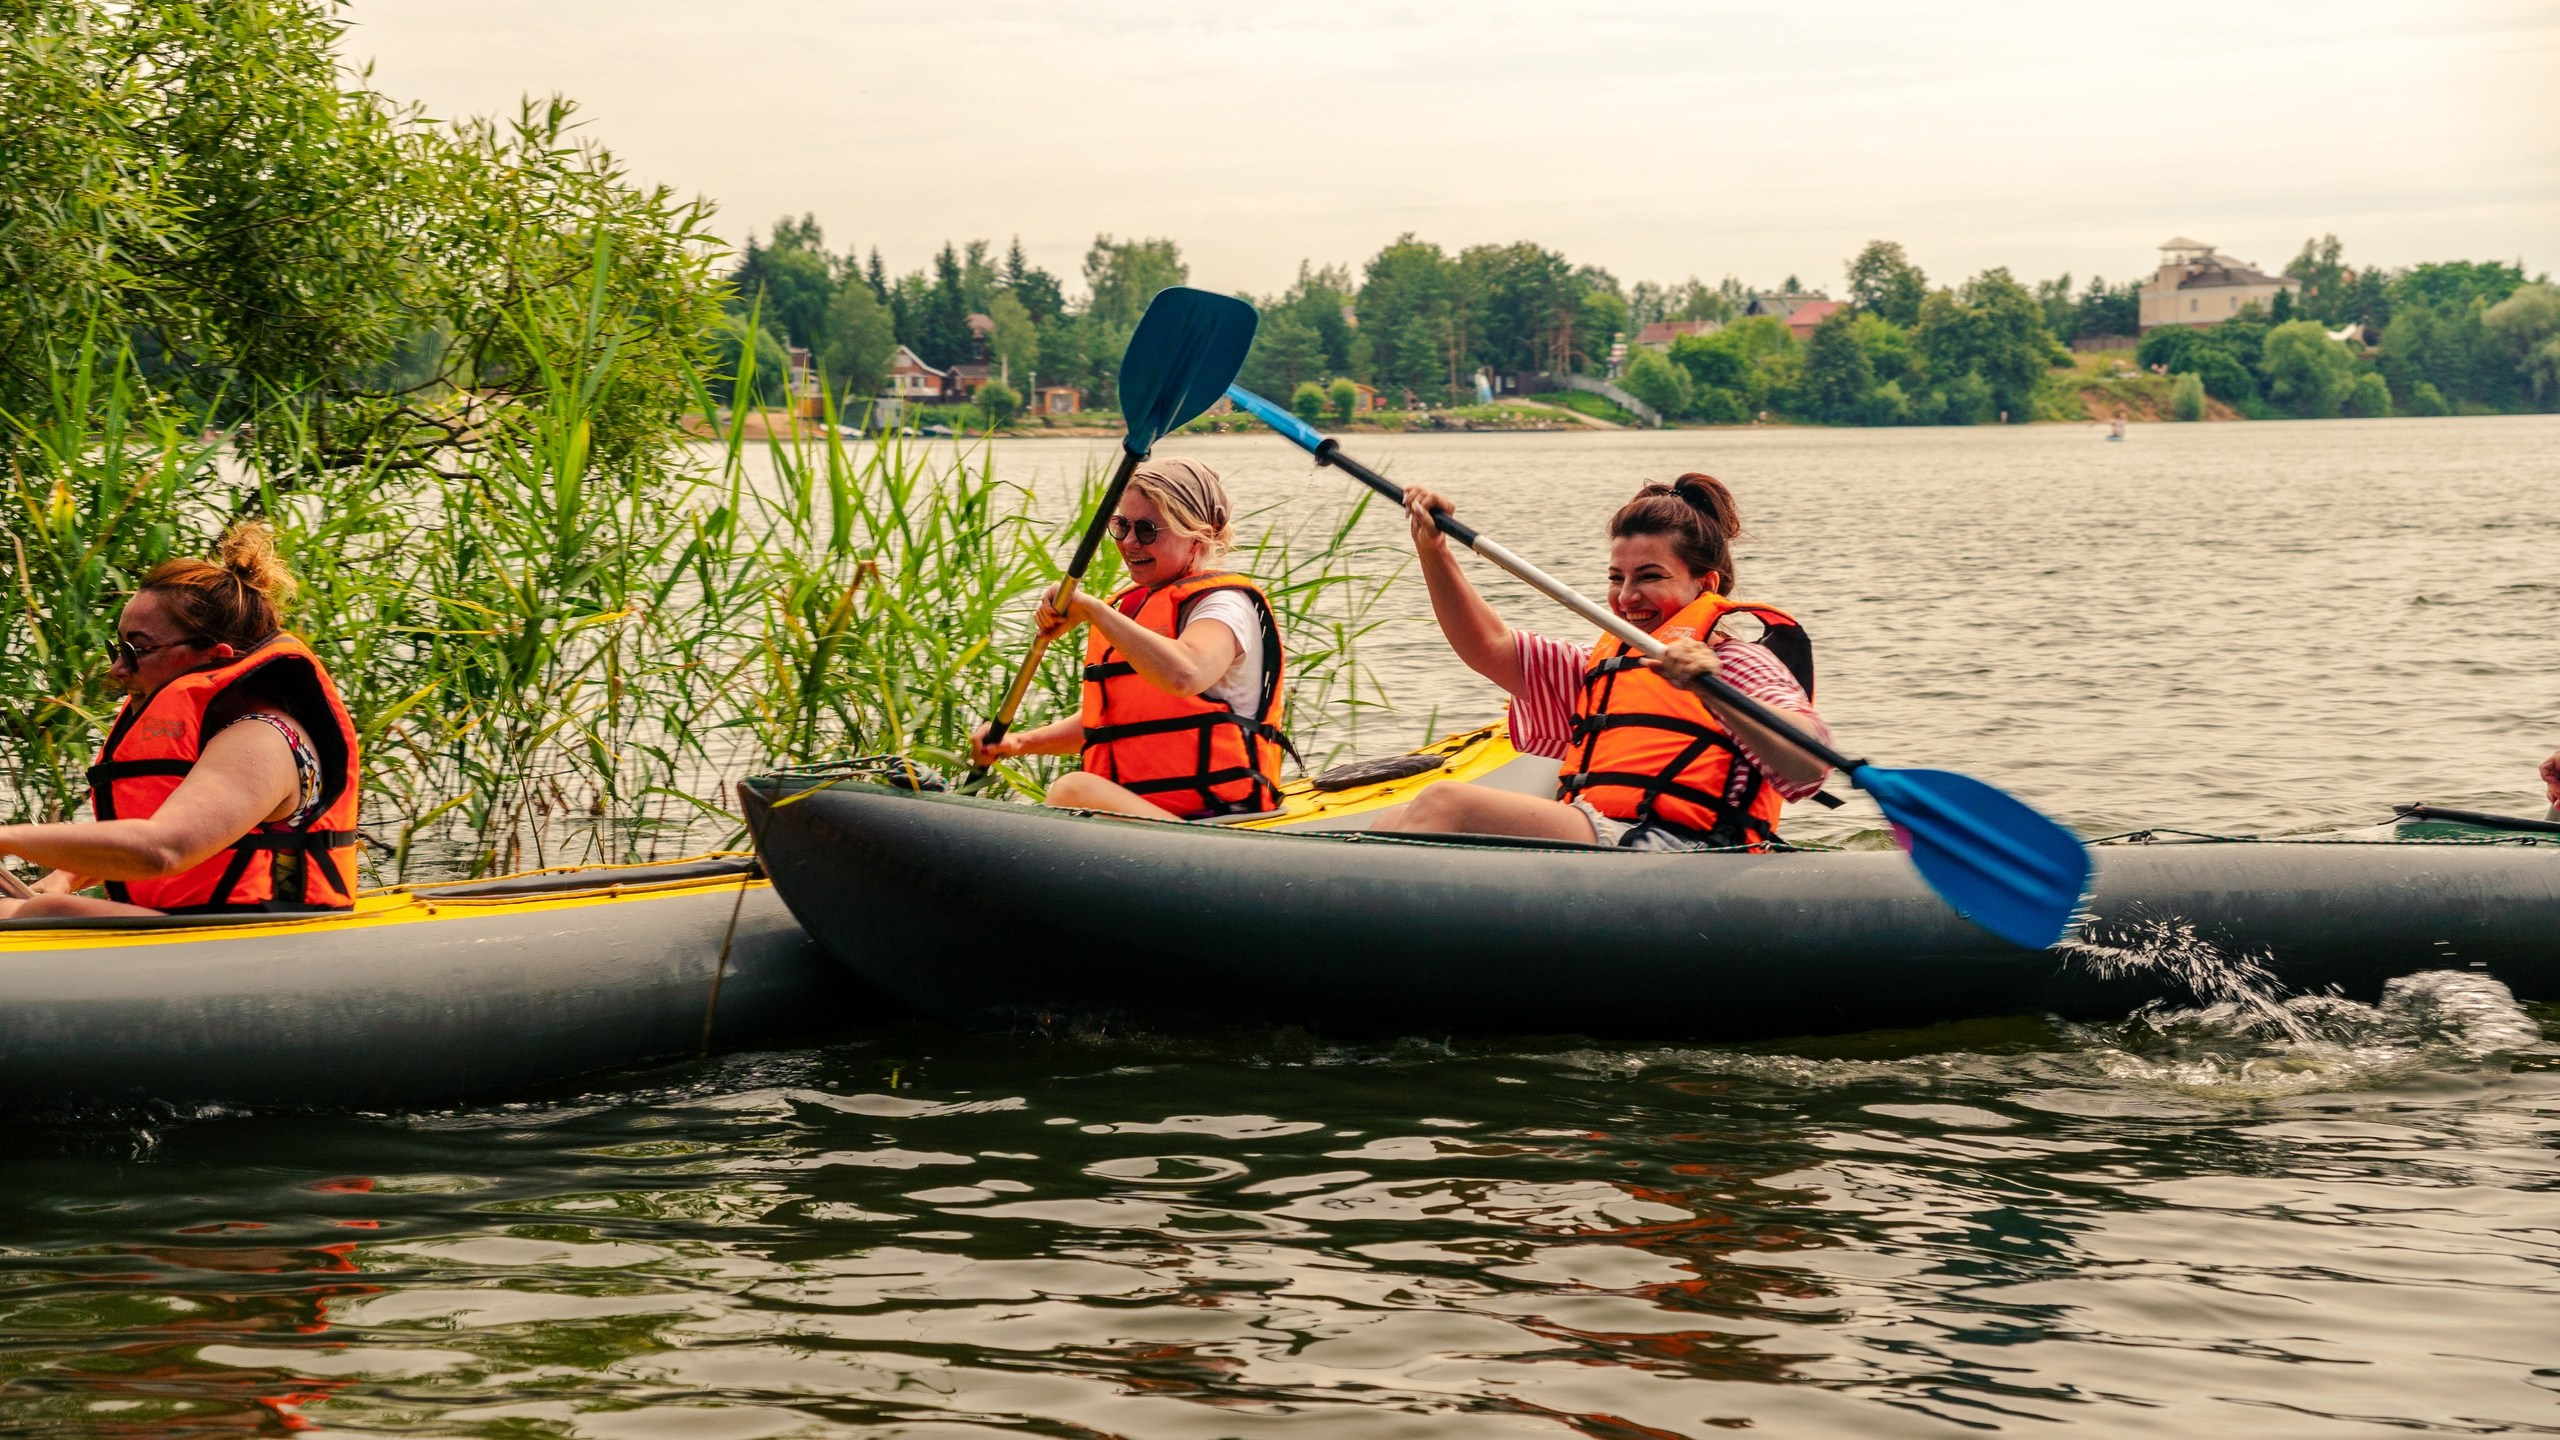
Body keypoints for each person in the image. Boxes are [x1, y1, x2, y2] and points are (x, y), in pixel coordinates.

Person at [1378, 474, 1831, 851]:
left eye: (1650, 576)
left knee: (1445, 804)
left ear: (1705, 584)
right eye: (1617, 578)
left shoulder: (1735, 661)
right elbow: (1490, 646)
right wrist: (1432, 549)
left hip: (1691, 855)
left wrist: (1712, 690)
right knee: (1387, 823)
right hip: (1606, 836)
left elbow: (1810, 764)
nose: (1627, 596)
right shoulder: (1598, 669)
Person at [0, 522, 362, 919]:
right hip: (205, 932)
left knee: (52, 910)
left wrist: (10, 838)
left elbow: (164, 848)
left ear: (217, 656)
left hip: (262, 942)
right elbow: (197, 826)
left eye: (138, 649)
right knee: (48, 899)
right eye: (117, 648)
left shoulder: (262, 739)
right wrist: (66, 875)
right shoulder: (212, 732)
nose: (119, 668)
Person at [971, 458, 1292, 821]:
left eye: (1148, 530)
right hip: (1158, 826)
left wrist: (1094, 611)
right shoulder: (1134, 608)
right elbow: (1114, 724)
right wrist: (1018, 744)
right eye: (1121, 526)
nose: (1129, 542)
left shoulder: (1223, 605)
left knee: (1072, 791)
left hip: (1221, 823)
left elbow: (1185, 675)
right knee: (1074, 790)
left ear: (1198, 533)